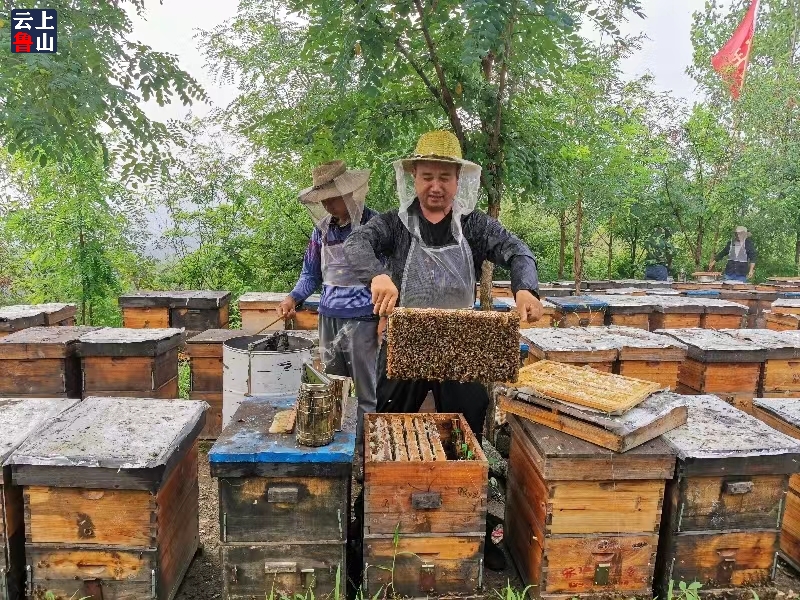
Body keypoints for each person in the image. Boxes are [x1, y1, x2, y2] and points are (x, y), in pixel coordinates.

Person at [343, 130, 542, 571]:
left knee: (470, 441)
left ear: (458, 181)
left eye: (445, 178)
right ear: (414, 177)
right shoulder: (393, 225)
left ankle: (474, 528)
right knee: (386, 436)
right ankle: (369, 531)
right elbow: (354, 246)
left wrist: (526, 288)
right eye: (427, 176)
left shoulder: (472, 225)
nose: (436, 186)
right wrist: (377, 274)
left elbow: (518, 250)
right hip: (404, 345)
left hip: (462, 347)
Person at [277, 160, 380, 437]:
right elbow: (310, 274)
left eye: (333, 199)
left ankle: (364, 451)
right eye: (323, 200)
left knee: (366, 389)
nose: (328, 206)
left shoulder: (376, 225)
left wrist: (387, 317)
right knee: (332, 386)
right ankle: (337, 444)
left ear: (351, 193)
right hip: (328, 318)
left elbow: (390, 277)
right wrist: (292, 297)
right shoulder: (321, 230)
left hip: (364, 319)